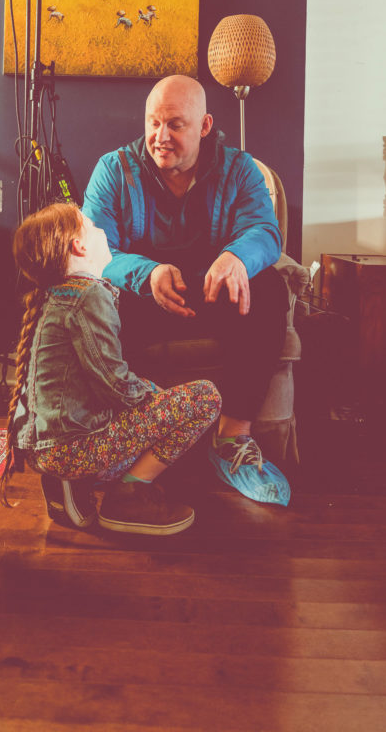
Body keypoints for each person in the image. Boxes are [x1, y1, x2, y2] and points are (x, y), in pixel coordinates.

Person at [82, 73, 291, 506]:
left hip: (213, 298)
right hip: (142, 300)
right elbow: (95, 250)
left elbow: (265, 231)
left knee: (269, 288)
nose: (161, 137)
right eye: (153, 123)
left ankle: (231, 440)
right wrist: (146, 273)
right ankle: (126, 439)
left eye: (175, 125)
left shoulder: (240, 169)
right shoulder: (113, 170)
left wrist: (236, 256)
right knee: (92, 300)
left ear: (205, 126)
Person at [0, 201, 221, 536]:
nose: (102, 230)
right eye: (92, 225)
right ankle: (126, 498)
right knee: (205, 398)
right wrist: (157, 395)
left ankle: (72, 482)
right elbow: (115, 385)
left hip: (48, 447)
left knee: (153, 411)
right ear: (79, 246)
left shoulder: (55, 296)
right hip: (70, 449)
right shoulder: (88, 296)